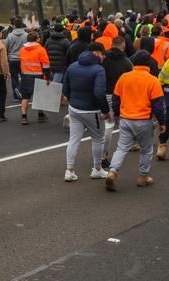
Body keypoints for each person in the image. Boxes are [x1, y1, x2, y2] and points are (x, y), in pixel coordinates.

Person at [105, 51, 166, 191]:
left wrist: (118, 114)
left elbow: (115, 99)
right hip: (144, 121)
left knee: (121, 148)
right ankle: (143, 177)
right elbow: (158, 105)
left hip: (126, 119)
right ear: (149, 64)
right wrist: (162, 123)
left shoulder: (124, 77)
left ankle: (112, 171)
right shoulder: (153, 80)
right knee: (146, 149)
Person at [62, 42, 110, 182]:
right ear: (97, 53)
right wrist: (105, 110)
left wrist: (73, 101)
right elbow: (99, 93)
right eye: (102, 54)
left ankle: (69, 171)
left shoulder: (73, 66)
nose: (103, 57)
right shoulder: (98, 69)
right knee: (98, 138)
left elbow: (65, 89)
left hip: (74, 108)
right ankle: (97, 169)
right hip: (92, 110)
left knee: (73, 139)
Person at [101, 36, 133, 168]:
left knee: (105, 125)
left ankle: (102, 155)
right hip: (119, 95)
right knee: (115, 124)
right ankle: (106, 155)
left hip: (103, 94)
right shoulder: (126, 62)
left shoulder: (103, 59)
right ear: (123, 45)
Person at [19, 31, 51, 125]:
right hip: (38, 75)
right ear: (37, 39)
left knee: (25, 97)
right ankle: (40, 115)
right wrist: (48, 77)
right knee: (39, 96)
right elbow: (45, 65)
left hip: (25, 76)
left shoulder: (22, 50)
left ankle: (24, 117)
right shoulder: (41, 50)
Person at [5, 18, 28, 101]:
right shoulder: (26, 35)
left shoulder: (10, 35)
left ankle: (16, 96)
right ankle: (23, 93)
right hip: (23, 59)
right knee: (24, 77)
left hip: (12, 59)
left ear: (14, 25)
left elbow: (6, 47)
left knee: (14, 78)